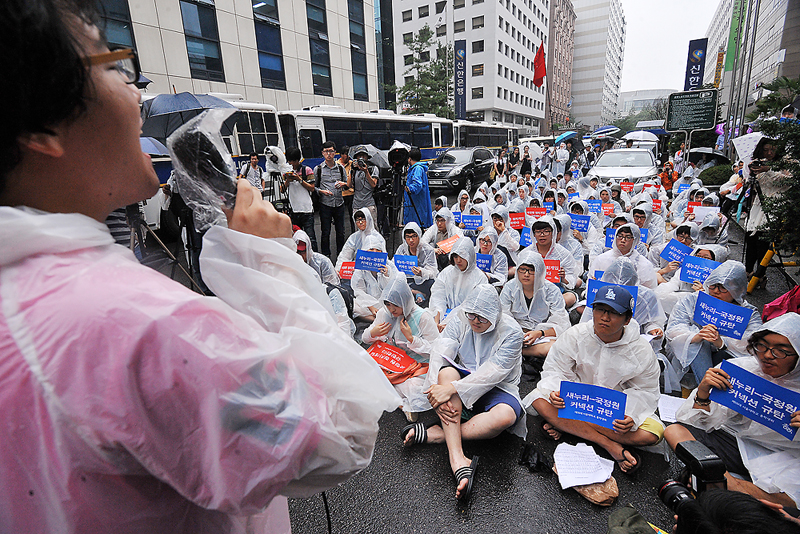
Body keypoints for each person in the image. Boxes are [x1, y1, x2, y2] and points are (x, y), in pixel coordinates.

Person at [0, 1, 401, 531]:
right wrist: (270, 262)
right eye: (115, 66)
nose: (139, 92)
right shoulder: (142, 324)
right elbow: (343, 433)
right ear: (40, 126)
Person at [664, 313, 800, 508]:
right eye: (762, 345)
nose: (768, 355)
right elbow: (695, 421)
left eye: (781, 351)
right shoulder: (740, 369)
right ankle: (732, 484)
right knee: (673, 431)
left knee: (794, 498)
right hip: (731, 441)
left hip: (783, 456)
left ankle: (719, 480)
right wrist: (703, 393)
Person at [402, 285, 525, 501]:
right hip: (466, 374)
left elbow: (493, 373)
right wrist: (435, 388)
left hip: (499, 386)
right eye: (472, 314)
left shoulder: (512, 332)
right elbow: (441, 352)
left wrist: (451, 389)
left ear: (495, 315)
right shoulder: (460, 318)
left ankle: (440, 434)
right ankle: (457, 457)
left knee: (505, 416)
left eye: (482, 317)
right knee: (447, 373)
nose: (475, 321)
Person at [525, 285, 662, 473]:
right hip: (575, 403)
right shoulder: (576, 334)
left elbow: (645, 390)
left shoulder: (640, 349)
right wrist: (555, 391)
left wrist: (631, 415)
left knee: (653, 433)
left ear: (628, 319)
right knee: (539, 400)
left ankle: (568, 427)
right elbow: (555, 369)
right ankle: (607, 444)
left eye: (614, 313)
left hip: (610, 412)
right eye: (600, 310)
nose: (604, 317)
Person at [665, 261, 763, 388]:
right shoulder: (693, 299)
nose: (716, 291)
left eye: (723, 287)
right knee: (700, 343)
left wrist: (722, 343)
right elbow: (674, 327)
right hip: (689, 357)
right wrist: (697, 336)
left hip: (727, 358)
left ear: (738, 289)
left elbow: (755, 343)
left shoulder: (749, 313)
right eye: (713, 286)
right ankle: (707, 389)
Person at [500, 250, 570, 361]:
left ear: (540, 272)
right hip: (514, 331)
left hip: (540, 336)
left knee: (553, 347)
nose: (526, 274)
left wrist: (540, 333)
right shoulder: (510, 287)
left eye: (531, 270)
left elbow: (562, 324)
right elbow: (503, 315)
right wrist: (518, 332)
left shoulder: (551, 290)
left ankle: (520, 351)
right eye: (522, 269)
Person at [742, 138, 783, 276]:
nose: (769, 153)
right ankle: (748, 271)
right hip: (758, 203)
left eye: (772, 149)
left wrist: (769, 170)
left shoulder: (787, 163)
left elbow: (786, 181)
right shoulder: (760, 163)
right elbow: (751, 186)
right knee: (751, 237)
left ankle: (760, 276)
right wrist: (752, 172)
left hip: (775, 205)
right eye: (766, 150)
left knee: (763, 240)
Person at [429, 237, 489, 331]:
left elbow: (471, 305)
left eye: (462, 257)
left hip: (465, 320)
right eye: (455, 257)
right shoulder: (447, 272)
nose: (458, 260)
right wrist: (437, 319)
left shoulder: (480, 278)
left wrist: (449, 323)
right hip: (443, 315)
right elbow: (438, 295)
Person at [589, 222, 658, 290]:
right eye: (620, 236)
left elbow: (649, 291)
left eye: (628, 237)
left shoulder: (644, 264)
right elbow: (590, 282)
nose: (623, 240)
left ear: (635, 241)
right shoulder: (602, 259)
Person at [350, 235, 398, 322]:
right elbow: (359, 290)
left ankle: (378, 319)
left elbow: (395, 286)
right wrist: (371, 307)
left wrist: (387, 274)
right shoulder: (360, 267)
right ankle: (379, 320)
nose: (374, 252)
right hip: (368, 303)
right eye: (371, 249)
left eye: (377, 250)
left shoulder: (389, 265)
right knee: (353, 304)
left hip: (387, 303)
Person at [314, 141, 348, 259]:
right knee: (325, 231)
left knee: (340, 231)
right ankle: (326, 255)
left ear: (335, 153)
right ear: (322, 153)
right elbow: (314, 187)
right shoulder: (318, 169)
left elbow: (347, 183)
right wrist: (321, 191)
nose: (329, 154)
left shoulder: (340, 168)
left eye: (331, 151)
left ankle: (341, 254)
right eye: (326, 151)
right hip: (325, 204)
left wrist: (343, 184)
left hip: (339, 203)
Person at [282, 147, 317, 251]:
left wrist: (299, 179)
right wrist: (287, 181)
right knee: (296, 238)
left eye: (294, 161)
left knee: (310, 238)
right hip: (294, 209)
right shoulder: (287, 172)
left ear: (298, 160)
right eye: (290, 161)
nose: (292, 163)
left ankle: (313, 257)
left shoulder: (307, 170)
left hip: (306, 209)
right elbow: (282, 190)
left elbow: (312, 188)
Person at [395, 222, 438, 303]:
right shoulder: (402, 249)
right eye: (408, 237)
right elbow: (395, 264)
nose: (411, 240)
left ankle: (414, 292)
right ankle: (416, 293)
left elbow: (432, 271)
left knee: (432, 284)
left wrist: (422, 272)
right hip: (407, 280)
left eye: (414, 236)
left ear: (419, 235)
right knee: (396, 282)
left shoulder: (428, 249)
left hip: (423, 281)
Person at [403, 146, 433, 228]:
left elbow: (417, 185)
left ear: (410, 159)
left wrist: (409, 189)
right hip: (415, 205)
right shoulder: (415, 168)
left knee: (416, 228)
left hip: (416, 206)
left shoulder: (417, 169)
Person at [348, 146, 378, 225]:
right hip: (357, 204)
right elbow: (349, 185)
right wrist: (352, 171)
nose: (361, 158)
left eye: (363, 156)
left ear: (367, 157)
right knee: (358, 229)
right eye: (359, 156)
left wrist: (366, 171)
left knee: (372, 227)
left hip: (369, 203)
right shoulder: (354, 170)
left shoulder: (373, 168)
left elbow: (373, 184)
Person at [339, 145, 355, 232]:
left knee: (352, 216)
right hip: (341, 194)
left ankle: (354, 232)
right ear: (341, 155)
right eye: (345, 154)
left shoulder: (353, 164)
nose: (348, 156)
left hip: (351, 193)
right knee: (340, 218)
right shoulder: (337, 165)